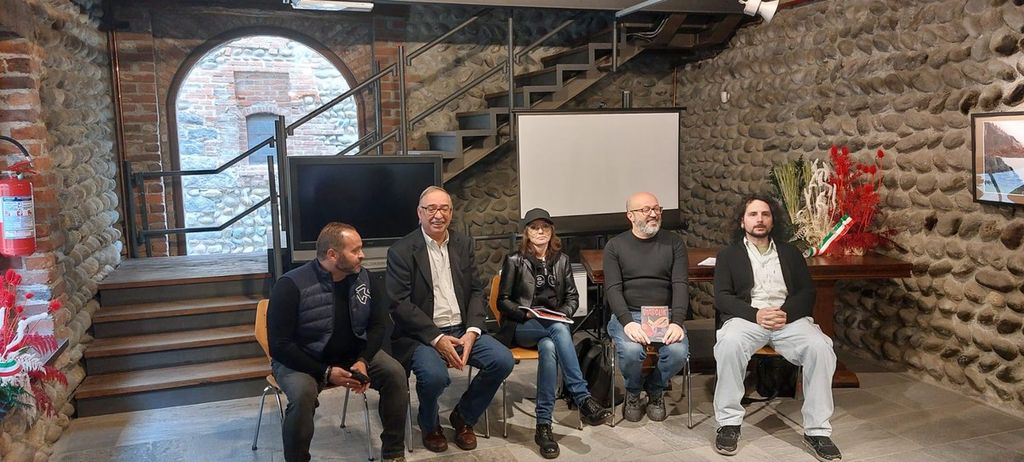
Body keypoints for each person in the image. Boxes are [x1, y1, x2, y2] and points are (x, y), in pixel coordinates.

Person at [385, 186, 514, 453]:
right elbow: (399, 304)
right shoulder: (401, 250)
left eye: (444, 208)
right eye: (431, 208)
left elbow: (476, 291)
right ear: (419, 213)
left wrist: (473, 330)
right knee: (434, 377)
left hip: (462, 328)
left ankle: (464, 417)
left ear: (452, 213)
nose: (438, 215)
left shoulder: (463, 244)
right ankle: (429, 424)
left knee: (502, 360)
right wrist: (437, 337)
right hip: (422, 336)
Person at [712, 195, 841, 461]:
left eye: (765, 214)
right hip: (748, 319)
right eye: (753, 214)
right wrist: (756, 314)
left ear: (773, 221)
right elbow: (722, 297)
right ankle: (728, 423)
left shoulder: (791, 253)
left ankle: (817, 431)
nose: (759, 219)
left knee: (821, 347)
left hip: (787, 319)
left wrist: (786, 313)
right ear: (742, 221)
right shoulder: (728, 255)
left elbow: (807, 292)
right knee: (728, 344)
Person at [268, 223, 408, 462]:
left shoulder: (365, 278)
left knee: (395, 373)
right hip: (302, 360)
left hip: (354, 355)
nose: (362, 255)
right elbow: (279, 345)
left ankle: (393, 454)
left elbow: (378, 326)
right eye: (355, 250)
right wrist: (325, 372)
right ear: (332, 254)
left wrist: (363, 361)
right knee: (302, 395)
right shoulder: (290, 284)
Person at [496, 208, 613, 459]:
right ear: (527, 232)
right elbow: (502, 301)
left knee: (550, 346)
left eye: (545, 227)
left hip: (551, 327)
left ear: (551, 232)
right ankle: (582, 396)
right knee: (559, 330)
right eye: (534, 227)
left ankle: (543, 427)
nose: (540, 232)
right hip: (523, 326)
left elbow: (572, 297)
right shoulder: (514, 260)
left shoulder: (562, 260)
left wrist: (561, 313)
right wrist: (526, 313)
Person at [603, 192, 690, 422]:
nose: (653, 214)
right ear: (630, 216)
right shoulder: (615, 246)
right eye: (645, 210)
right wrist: (627, 322)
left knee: (678, 352)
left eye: (656, 208)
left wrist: (677, 322)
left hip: (665, 314)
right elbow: (613, 289)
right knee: (632, 351)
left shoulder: (674, 243)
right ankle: (633, 391)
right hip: (629, 314)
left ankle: (655, 388)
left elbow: (680, 284)